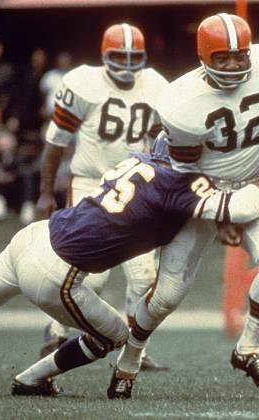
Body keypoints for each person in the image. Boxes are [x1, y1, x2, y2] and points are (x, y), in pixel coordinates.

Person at [0, 138, 259, 396]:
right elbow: (244, 207)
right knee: (115, 336)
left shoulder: (137, 160)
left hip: (34, 236)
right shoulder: (176, 184)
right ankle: (31, 379)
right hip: (57, 271)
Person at [109, 13, 259, 397]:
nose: (233, 65)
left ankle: (247, 349)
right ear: (203, 58)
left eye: (239, 56)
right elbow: (184, 173)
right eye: (222, 58)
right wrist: (222, 212)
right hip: (200, 192)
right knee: (167, 296)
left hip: (255, 185)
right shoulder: (182, 102)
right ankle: (130, 360)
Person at [35, 23, 169, 367]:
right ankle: (56, 331)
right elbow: (56, 143)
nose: (126, 65)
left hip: (136, 184)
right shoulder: (82, 82)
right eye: (118, 57)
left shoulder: (156, 85)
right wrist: (46, 192)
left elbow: (163, 142)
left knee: (144, 277)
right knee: (89, 276)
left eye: (133, 57)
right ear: (103, 56)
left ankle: (132, 347)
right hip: (90, 182)